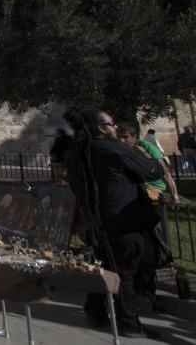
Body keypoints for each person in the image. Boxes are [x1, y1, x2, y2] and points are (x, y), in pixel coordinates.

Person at [64, 108, 163, 338]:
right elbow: (152, 171)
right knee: (125, 273)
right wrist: (147, 157)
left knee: (105, 266)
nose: (115, 126)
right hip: (123, 220)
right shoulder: (113, 149)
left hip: (96, 220)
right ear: (100, 128)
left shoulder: (75, 152)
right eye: (111, 122)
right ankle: (129, 323)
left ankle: (95, 310)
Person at [116, 123, 182, 206]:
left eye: (125, 137)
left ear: (134, 136)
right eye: (119, 137)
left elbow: (165, 173)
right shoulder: (119, 149)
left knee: (155, 211)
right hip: (134, 189)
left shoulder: (146, 147)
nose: (121, 140)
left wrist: (175, 196)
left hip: (153, 189)